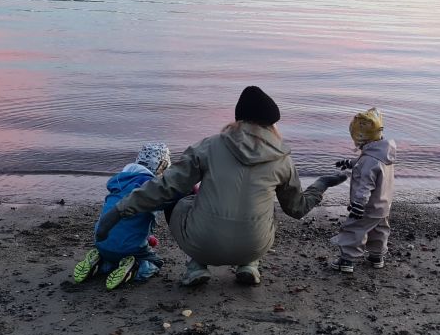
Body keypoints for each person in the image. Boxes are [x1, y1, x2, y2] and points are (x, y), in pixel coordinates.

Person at [95, 86, 346, 286]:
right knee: (265, 208)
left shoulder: (210, 146)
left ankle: (196, 266)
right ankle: (249, 265)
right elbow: (296, 209)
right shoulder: (282, 159)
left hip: (202, 243)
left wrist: (120, 210)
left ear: (239, 121)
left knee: (180, 198)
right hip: (254, 244)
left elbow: (165, 187)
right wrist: (321, 185)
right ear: (271, 126)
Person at [73, 142, 171, 290]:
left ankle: (100, 264)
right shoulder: (151, 188)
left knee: (113, 259)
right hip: (128, 247)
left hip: (101, 242)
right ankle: (136, 267)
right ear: (162, 166)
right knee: (155, 262)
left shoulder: (120, 180)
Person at [330, 107, 397, 274]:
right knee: (379, 229)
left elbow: (366, 183)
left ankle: (347, 260)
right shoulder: (383, 153)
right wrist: (351, 163)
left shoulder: (369, 160)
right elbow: (369, 164)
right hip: (383, 205)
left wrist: (358, 204)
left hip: (367, 207)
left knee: (354, 229)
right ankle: (377, 257)